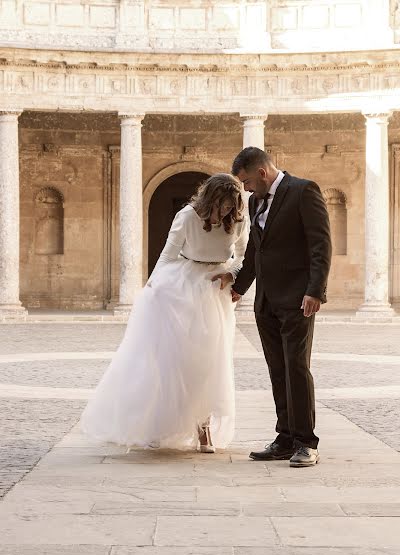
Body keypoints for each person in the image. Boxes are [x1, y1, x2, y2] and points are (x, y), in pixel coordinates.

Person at [81, 173, 248, 453]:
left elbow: (243, 256)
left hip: (214, 292)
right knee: (171, 361)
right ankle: (156, 426)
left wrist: (230, 273)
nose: (227, 211)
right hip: (180, 287)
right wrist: (152, 287)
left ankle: (203, 429)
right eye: (223, 205)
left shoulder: (239, 220)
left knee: (210, 362)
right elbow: (168, 255)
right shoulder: (187, 216)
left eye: (232, 205)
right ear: (210, 199)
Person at [216, 147, 332, 467]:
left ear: (263, 173)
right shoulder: (255, 201)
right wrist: (240, 287)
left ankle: (306, 442)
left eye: (248, 181)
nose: (246, 189)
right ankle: (285, 438)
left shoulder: (303, 191)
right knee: (277, 369)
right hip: (265, 300)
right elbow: (256, 248)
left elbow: (321, 244)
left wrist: (315, 291)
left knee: (296, 367)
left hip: (297, 298)